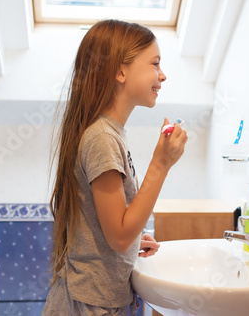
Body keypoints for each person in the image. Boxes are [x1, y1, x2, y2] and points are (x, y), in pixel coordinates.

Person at [42, 19, 187, 316]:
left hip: (95, 299)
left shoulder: (109, 133)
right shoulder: (102, 138)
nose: (163, 75)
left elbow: (115, 230)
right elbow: (119, 237)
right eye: (155, 64)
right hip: (91, 304)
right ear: (120, 71)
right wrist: (161, 164)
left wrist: (134, 240)